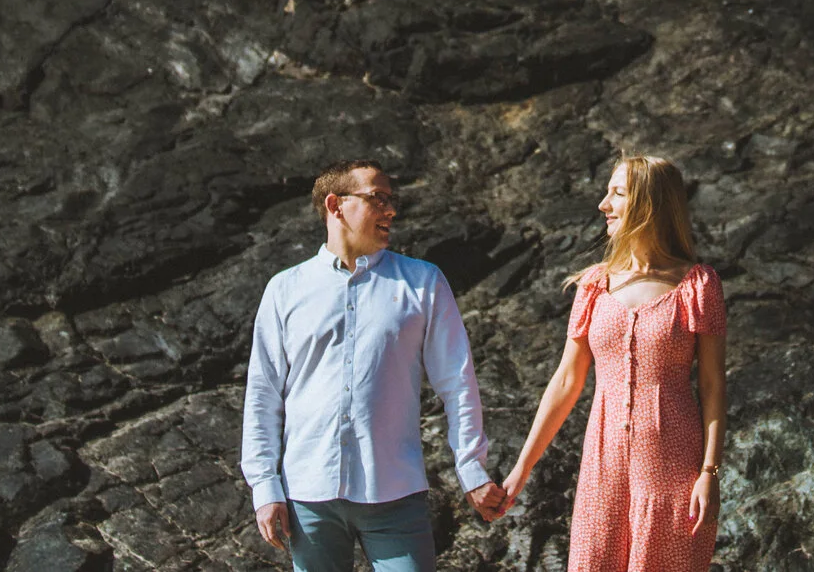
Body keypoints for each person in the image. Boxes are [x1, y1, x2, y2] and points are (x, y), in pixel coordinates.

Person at [242, 159, 508, 572]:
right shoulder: (284, 289)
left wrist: (471, 468)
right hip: (307, 495)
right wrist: (264, 486)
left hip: (396, 493)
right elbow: (263, 394)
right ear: (336, 205)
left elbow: (457, 382)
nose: (391, 210)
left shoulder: (423, 281)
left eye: (391, 200)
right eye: (378, 199)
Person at [497, 155, 727, 572]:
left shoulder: (698, 285)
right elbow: (566, 380)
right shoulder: (594, 285)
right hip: (602, 469)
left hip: (673, 468)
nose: (603, 205)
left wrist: (709, 472)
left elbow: (712, 386)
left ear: (649, 203)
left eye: (617, 193)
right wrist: (522, 468)